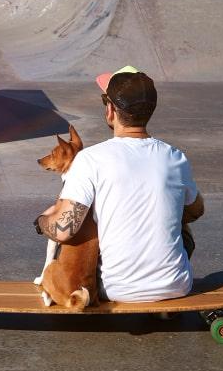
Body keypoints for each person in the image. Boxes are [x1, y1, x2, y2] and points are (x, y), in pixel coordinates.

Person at [35, 65, 205, 302]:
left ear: (110, 110)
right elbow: (196, 211)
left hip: (116, 289)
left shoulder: (90, 159)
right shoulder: (175, 156)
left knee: (84, 225)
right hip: (177, 285)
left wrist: (41, 221)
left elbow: (64, 230)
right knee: (180, 220)